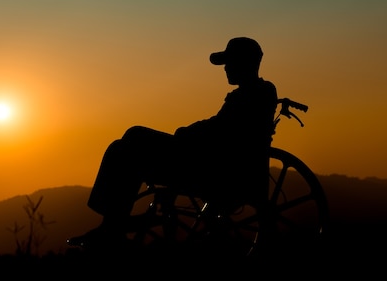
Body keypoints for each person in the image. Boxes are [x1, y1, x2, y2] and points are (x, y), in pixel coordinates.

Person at [66, 37, 278, 249]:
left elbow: (224, 131)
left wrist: (187, 133)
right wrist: (190, 133)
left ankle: (112, 225)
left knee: (133, 139)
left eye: (229, 62)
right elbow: (220, 127)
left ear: (246, 62)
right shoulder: (250, 94)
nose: (225, 69)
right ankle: (112, 223)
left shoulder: (259, 92)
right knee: (125, 143)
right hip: (208, 162)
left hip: (214, 171)